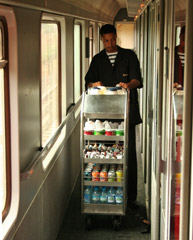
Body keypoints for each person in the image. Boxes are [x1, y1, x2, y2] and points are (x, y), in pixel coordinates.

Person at [85, 24, 143, 209]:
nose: (109, 44)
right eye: (106, 41)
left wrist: (127, 85)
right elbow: (88, 83)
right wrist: (94, 84)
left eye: (112, 40)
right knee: (106, 154)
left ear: (116, 37)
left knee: (129, 154)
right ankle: (106, 189)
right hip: (104, 116)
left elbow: (138, 80)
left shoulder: (129, 56)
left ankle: (130, 195)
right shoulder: (97, 59)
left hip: (127, 112)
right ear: (102, 39)